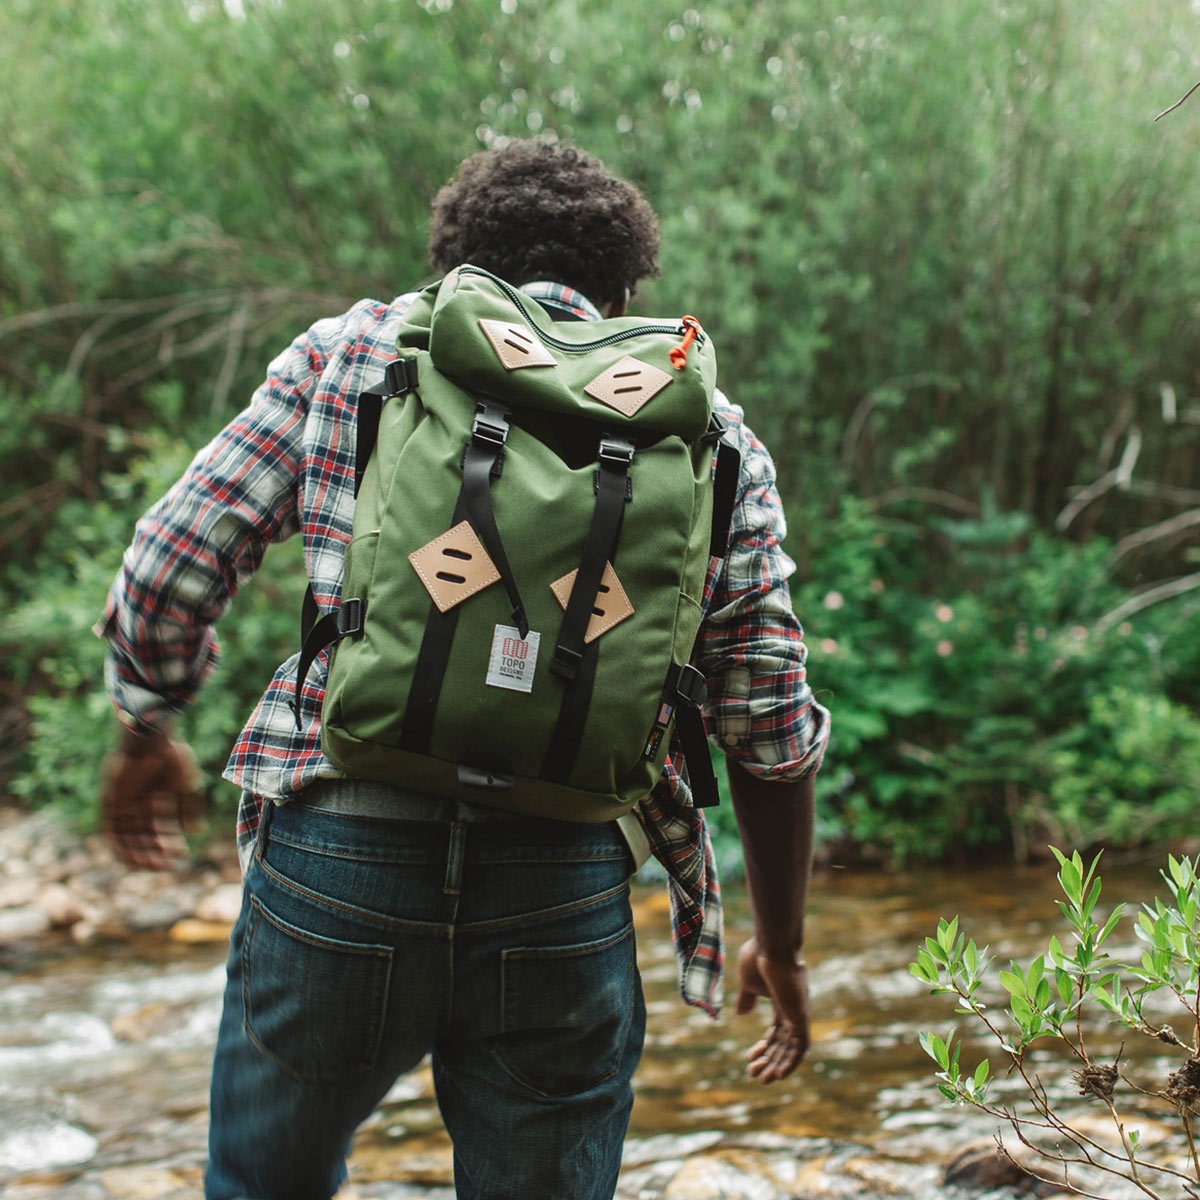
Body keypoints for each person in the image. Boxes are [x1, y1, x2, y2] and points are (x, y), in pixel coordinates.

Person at [97, 138, 830, 1200]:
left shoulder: (354, 353)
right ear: (622, 295)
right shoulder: (708, 432)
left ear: (455, 273)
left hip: (335, 857)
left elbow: (170, 562)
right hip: (562, 884)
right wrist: (783, 941)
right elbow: (769, 722)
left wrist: (145, 726)